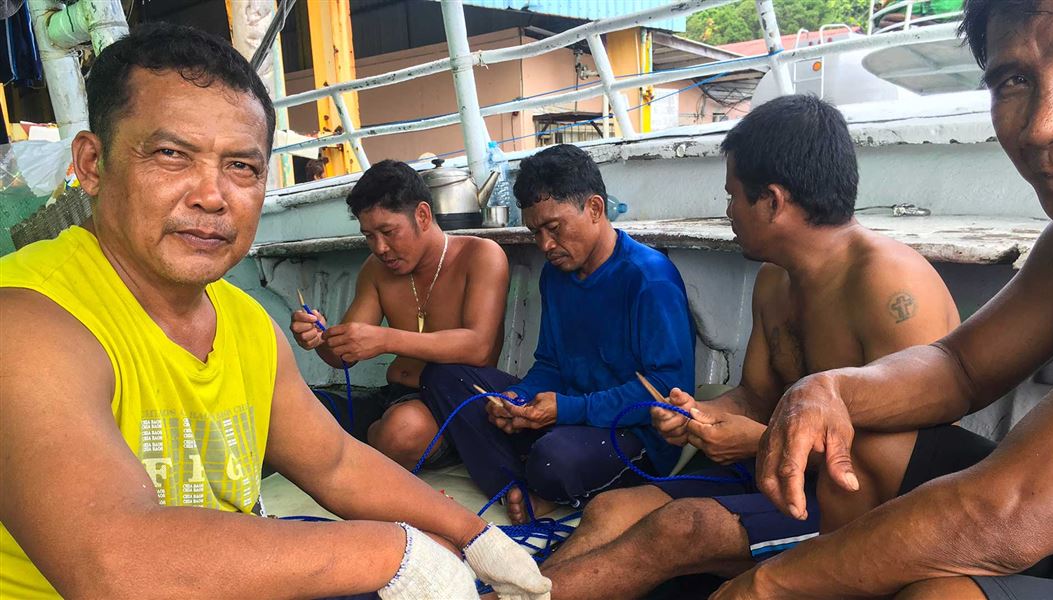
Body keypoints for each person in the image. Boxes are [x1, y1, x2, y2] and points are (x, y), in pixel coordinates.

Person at [0, 23, 549, 600]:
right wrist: (394, 552)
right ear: (91, 163)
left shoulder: (242, 320)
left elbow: (335, 462)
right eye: (170, 154)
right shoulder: (27, 321)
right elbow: (112, 564)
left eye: (242, 167)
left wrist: (475, 535)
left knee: (433, 549)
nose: (212, 196)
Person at [539, 95, 963, 599]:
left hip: (865, 509)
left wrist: (761, 442)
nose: (728, 212)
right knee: (609, 511)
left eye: (733, 196)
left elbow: (905, 461)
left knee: (680, 528)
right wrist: (699, 414)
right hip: (773, 475)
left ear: (773, 201)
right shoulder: (773, 281)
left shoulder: (892, 286)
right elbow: (757, 395)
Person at [716, 1, 1053, 598]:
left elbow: (1006, 512)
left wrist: (766, 586)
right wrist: (828, 389)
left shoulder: (884, 277)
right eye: (1015, 81)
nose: (1041, 125)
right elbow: (960, 365)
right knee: (873, 444)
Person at [419, 143, 696, 524]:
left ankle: (525, 481)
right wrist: (519, 398)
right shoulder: (556, 275)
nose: (545, 245)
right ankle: (519, 487)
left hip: (633, 434)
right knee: (445, 376)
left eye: (554, 228)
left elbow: (668, 388)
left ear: (595, 209)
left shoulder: (648, 278)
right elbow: (549, 363)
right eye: (536, 232)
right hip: (565, 418)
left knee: (554, 459)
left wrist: (566, 409)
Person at [290, 159, 509, 469]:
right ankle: (362, 440)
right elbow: (344, 356)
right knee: (291, 410)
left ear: (422, 215)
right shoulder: (376, 270)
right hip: (391, 397)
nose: (379, 247)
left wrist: (385, 339)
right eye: (369, 236)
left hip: (447, 405)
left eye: (388, 232)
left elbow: (479, 346)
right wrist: (319, 337)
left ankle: (357, 446)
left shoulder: (481, 255)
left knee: (403, 431)